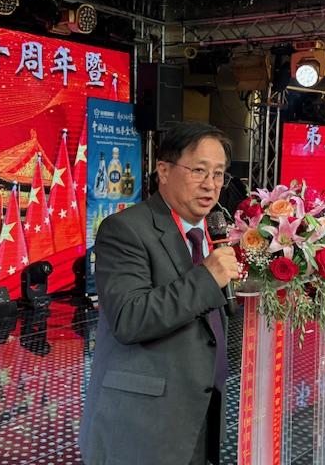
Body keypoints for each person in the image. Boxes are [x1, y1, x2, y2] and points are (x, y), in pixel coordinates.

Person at [79, 122, 239, 465]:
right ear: (163, 171)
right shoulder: (125, 230)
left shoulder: (213, 232)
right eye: (198, 170)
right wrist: (207, 278)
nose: (210, 184)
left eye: (218, 174)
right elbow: (129, 317)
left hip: (200, 416)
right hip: (141, 425)